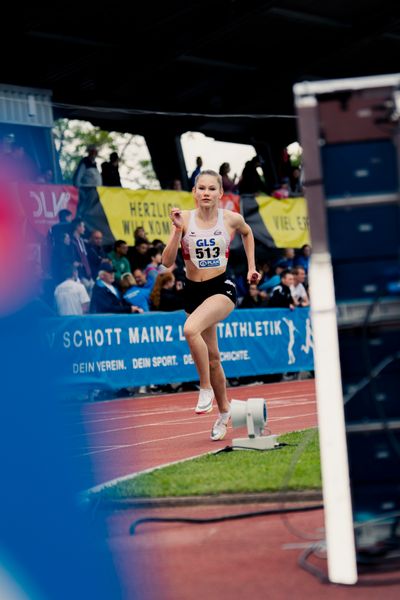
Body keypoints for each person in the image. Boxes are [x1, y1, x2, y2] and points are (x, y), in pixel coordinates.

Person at [162, 169, 260, 441]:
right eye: (201, 188)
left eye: (211, 189)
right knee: (214, 358)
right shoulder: (184, 218)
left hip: (221, 288)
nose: (206, 193)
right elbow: (167, 262)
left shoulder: (230, 219)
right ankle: (224, 413)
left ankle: (204, 387)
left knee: (190, 330)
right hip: (193, 291)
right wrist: (176, 232)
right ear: (194, 192)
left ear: (220, 193)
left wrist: (251, 267)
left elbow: (248, 232)